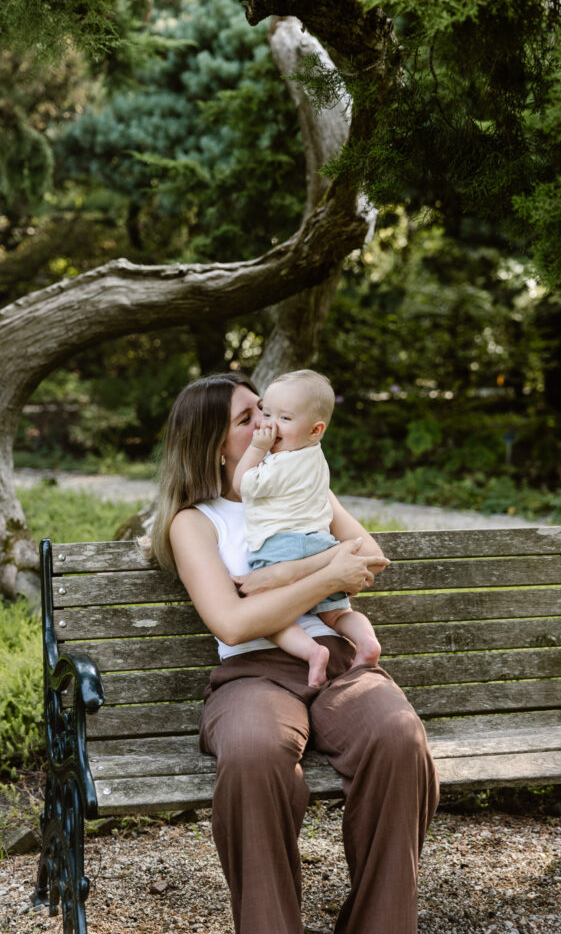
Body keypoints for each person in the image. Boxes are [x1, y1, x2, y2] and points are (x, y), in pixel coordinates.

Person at [150, 372, 439, 934]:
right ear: (213, 444)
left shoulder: (303, 482)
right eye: (246, 419)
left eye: (264, 410)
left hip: (336, 658)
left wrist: (282, 574)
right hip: (252, 672)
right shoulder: (195, 522)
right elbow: (233, 624)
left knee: (399, 739)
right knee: (254, 753)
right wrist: (326, 569)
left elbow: (370, 558)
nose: (265, 423)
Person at [232, 369, 381, 687]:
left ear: (316, 430)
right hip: (321, 543)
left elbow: (243, 484)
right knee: (338, 615)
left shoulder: (279, 462)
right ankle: (367, 642)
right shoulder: (314, 457)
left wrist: (257, 449)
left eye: (283, 418)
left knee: (266, 615)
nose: (267, 425)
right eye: (266, 413)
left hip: (281, 547)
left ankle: (313, 653)